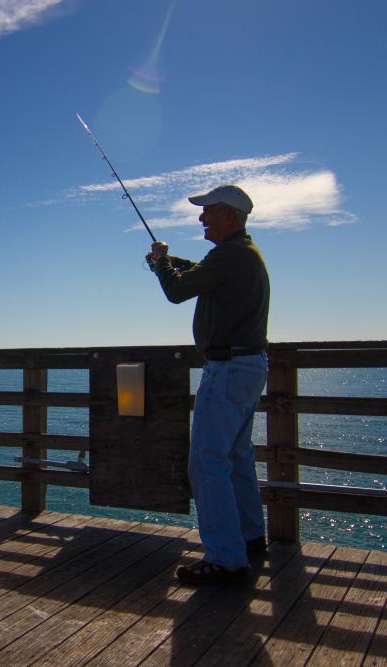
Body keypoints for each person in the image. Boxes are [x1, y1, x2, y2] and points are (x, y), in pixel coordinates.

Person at [147, 184, 270, 585]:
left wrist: (164, 266)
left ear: (230, 216)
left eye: (208, 212)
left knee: (206, 462)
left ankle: (225, 557)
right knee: (235, 457)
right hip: (249, 365)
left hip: (228, 368)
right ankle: (250, 538)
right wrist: (166, 260)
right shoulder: (241, 254)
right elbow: (200, 273)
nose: (201, 218)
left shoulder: (231, 255)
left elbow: (178, 290)